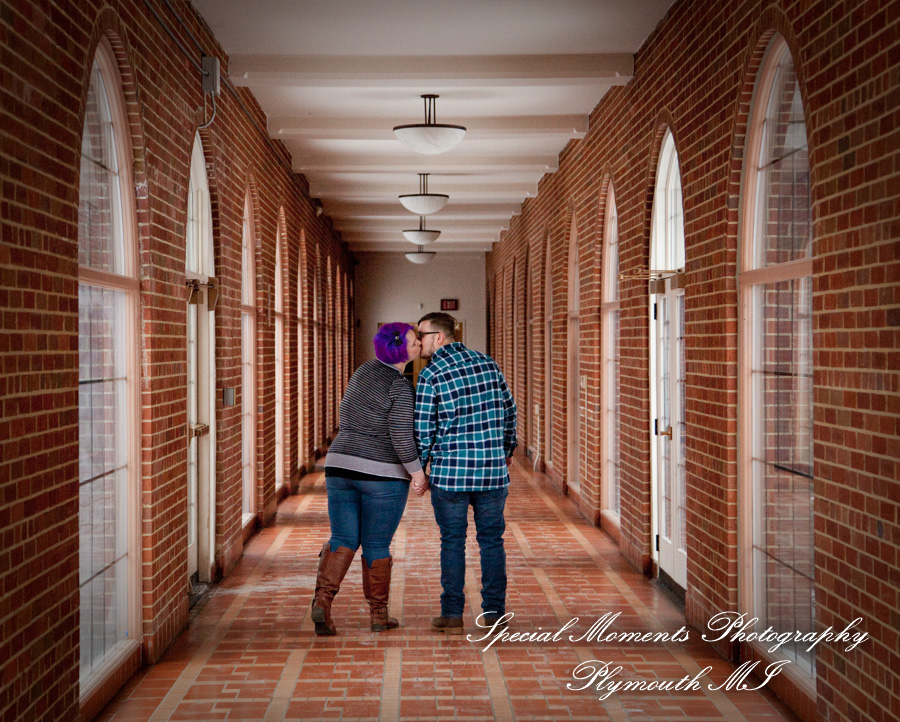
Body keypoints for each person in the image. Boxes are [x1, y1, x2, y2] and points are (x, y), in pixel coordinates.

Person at [311, 322, 428, 636]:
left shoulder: (362, 371)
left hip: (339, 466)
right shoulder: (400, 387)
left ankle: (322, 602)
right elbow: (401, 437)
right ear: (402, 351)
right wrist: (418, 474)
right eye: (415, 341)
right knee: (376, 543)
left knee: (343, 537)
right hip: (381, 474)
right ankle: (378, 615)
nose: (419, 344)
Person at [414, 312, 517, 634]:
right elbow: (510, 411)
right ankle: (495, 614)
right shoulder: (489, 364)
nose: (418, 341)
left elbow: (423, 430)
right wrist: (506, 450)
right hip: (491, 473)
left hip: (451, 476)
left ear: (439, 337)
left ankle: (452, 615)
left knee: (452, 542)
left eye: (422, 335)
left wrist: (419, 470)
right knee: (492, 541)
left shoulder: (431, 374)